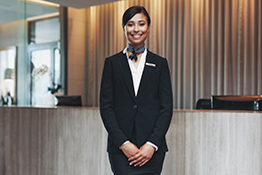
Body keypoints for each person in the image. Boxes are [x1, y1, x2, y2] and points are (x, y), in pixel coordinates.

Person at [100, 6, 173, 175]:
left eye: (141, 24)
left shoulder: (160, 64)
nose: (136, 29)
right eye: (131, 24)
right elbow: (106, 107)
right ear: (124, 27)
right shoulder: (112, 63)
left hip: (152, 151)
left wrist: (151, 144)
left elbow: (166, 108)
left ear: (148, 27)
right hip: (121, 150)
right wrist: (123, 143)